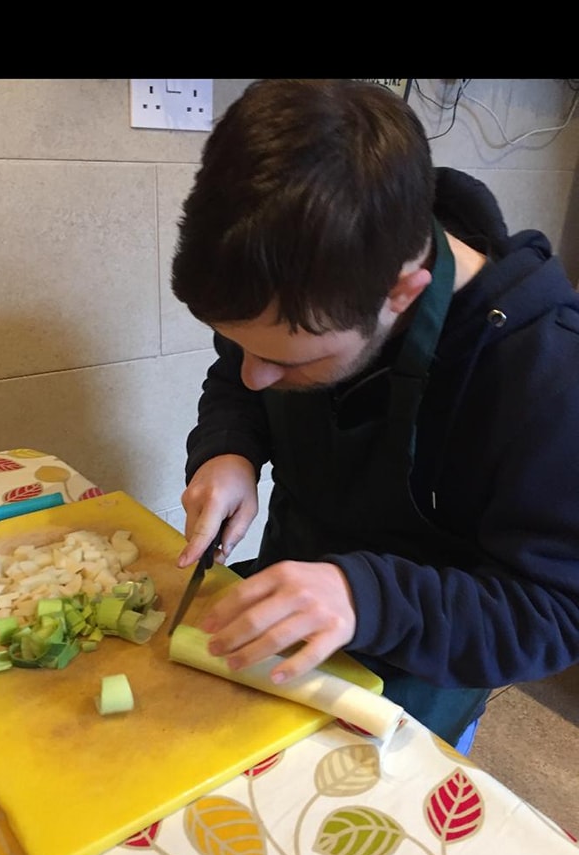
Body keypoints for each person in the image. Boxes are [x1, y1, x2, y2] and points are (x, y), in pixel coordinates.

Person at [170, 78, 579, 750]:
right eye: (242, 345)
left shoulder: (548, 375)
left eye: (287, 361)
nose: (254, 373)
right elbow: (238, 382)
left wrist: (365, 598)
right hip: (278, 633)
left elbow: (553, 613)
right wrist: (228, 449)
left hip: (418, 687)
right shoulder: (297, 292)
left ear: (403, 292)